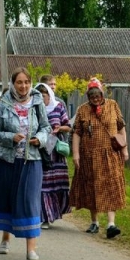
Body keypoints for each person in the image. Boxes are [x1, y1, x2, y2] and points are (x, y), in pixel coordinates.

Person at [0, 67, 51, 260]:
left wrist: (40, 139)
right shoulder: (3, 105)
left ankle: (31, 249)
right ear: (12, 84)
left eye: (26, 82)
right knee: (8, 198)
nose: (23, 86)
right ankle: (5, 238)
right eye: (19, 82)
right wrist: (11, 138)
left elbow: (46, 127)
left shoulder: (37, 102)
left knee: (29, 201)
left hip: (32, 160)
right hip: (7, 160)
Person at [69, 78, 128, 239]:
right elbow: (76, 133)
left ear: (102, 93)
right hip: (89, 156)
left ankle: (111, 224)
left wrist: (125, 150)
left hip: (110, 155)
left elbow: (121, 129)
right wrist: (76, 154)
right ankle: (94, 222)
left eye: (97, 94)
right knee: (91, 187)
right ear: (88, 95)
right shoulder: (82, 110)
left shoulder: (113, 105)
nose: (95, 98)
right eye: (92, 95)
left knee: (111, 187)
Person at [34, 83, 72, 228]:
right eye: (39, 96)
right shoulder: (34, 109)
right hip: (41, 152)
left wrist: (59, 128)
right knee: (43, 185)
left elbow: (68, 126)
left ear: (49, 95)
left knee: (56, 185)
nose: (42, 98)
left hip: (56, 152)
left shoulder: (58, 107)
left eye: (44, 96)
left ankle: (52, 214)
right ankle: (44, 216)